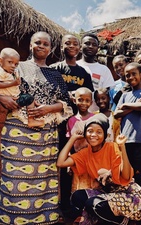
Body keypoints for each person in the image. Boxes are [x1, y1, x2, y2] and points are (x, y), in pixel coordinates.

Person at [0, 31, 73, 225]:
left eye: (46, 44)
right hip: (18, 131)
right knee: (15, 178)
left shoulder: (55, 74)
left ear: (51, 49)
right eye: (38, 42)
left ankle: (42, 220)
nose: (41, 46)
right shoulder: (16, 66)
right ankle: (12, 220)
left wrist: (49, 108)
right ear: (30, 45)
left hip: (46, 134)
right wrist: (0, 98)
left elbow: (68, 103)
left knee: (43, 179)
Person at [57, 113, 141, 224]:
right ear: (85, 133)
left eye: (99, 132)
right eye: (90, 131)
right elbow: (61, 162)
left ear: (104, 135)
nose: (93, 135)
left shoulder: (111, 147)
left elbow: (125, 176)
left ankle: (124, 220)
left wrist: (122, 147)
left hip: (128, 195)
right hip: (107, 192)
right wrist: (73, 138)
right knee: (77, 197)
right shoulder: (85, 153)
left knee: (94, 204)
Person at [50, 34, 94, 216]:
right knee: (57, 163)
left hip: (77, 126)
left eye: (75, 43)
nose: (72, 46)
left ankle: (76, 204)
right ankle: (58, 204)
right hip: (56, 124)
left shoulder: (84, 73)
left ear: (79, 48)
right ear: (61, 46)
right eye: (67, 43)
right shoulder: (54, 69)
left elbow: (89, 97)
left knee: (76, 164)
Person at [114, 62, 141, 224]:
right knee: (126, 179)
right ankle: (130, 211)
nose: (131, 77)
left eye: (133, 74)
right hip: (124, 143)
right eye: (127, 75)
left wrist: (126, 106)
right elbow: (117, 113)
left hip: (139, 142)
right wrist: (130, 106)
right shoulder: (124, 94)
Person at [0, 47, 44, 127]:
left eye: (16, 64)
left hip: (15, 96)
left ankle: (34, 106)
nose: (13, 66)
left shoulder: (11, 72)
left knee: (29, 98)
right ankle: (31, 120)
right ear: (0, 60)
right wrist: (13, 83)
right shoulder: (0, 73)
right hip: (12, 100)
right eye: (10, 62)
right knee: (29, 98)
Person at [66, 87, 95, 194]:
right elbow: (70, 142)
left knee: (93, 185)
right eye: (80, 100)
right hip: (78, 160)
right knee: (78, 186)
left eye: (87, 101)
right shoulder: (71, 120)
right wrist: (69, 161)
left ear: (91, 102)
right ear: (74, 100)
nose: (84, 103)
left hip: (93, 159)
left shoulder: (94, 118)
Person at [77, 33, 115, 112]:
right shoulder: (74, 66)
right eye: (87, 43)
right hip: (74, 115)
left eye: (94, 44)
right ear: (80, 47)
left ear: (98, 48)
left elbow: (109, 94)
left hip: (95, 117)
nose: (90, 46)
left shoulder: (104, 70)